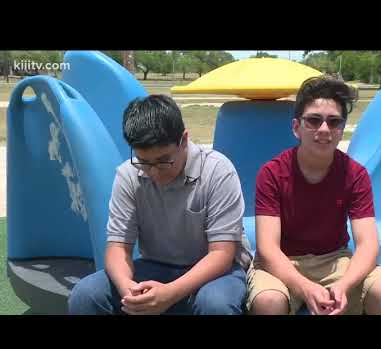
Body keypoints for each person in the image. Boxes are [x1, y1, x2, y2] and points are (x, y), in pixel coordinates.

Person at [69, 94, 251, 315]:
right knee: (86, 294)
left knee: (215, 304)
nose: (154, 172)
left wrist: (170, 293)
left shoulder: (218, 170)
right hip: (157, 264)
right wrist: (127, 288)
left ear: (184, 140)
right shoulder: (128, 175)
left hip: (215, 271)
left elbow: (221, 254)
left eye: (164, 161)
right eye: (144, 162)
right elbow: (118, 246)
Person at [246, 76, 381, 315]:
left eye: (334, 122)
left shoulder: (355, 174)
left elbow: (368, 245)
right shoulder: (272, 173)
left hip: (335, 261)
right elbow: (268, 249)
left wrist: (343, 285)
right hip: (284, 261)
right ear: (296, 127)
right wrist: (305, 287)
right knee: (268, 301)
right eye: (313, 120)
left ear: (342, 129)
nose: (324, 129)